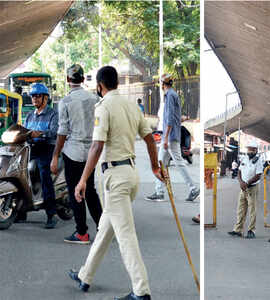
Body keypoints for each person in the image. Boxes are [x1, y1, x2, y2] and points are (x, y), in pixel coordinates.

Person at [68, 66, 163, 300]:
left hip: (115, 179)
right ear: (117, 83)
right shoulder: (132, 106)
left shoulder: (104, 106)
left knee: (126, 235)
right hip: (130, 176)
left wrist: (82, 180)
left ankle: (141, 291)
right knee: (105, 230)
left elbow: (97, 146)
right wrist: (154, 166)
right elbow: (150, 138)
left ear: (100, 86)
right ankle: (85, 276)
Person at [50, 64, 102, 244]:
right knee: (91, 191)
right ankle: (103, 229)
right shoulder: (95, 99)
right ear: (82, 79)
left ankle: (82, 233)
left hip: (72, 152)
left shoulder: (65, 102)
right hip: (92, 152)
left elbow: (62, 131)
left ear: (67, 80)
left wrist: (55, 155)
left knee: (76, 192)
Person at [146, 74, 200, 202]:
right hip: (171, 134)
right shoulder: (173, 95)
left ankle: (193, 188)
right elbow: (175, 117)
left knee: (178, 162)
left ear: (163, 84)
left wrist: (165, 139)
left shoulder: (170, 96)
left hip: (170, 136)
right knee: (161, 162)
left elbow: (170, 118)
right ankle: (159, 191)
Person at [23, 83, 58, 229]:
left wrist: (42, 133)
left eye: (38, 96)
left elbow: (55, 131)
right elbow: (24, 131)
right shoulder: (30, 115)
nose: (34, 99)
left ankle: (51, 214)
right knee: (21, 172)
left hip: (47, 148)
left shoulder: (53, 114)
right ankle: (20, 210)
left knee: (44, 173)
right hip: (31, 148)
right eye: (33, 96)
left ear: (45, 98)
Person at [228, 141, 263, 239]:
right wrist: (240, 182)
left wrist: (247, 183)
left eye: (252, 149)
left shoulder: (259, 160)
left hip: (252, 188)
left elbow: (258, 175)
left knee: (252, 210)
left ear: (256, 150)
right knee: (241, 209)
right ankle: (238, 230)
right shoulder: (244, 158)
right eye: (248, 149)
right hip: (243, 187)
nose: (249, 151)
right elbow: (239, 171)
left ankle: (251, 230)